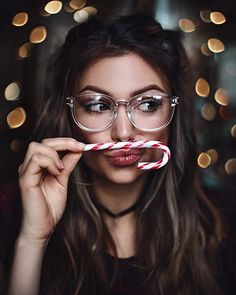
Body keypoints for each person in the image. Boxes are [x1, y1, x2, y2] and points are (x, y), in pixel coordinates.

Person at [3, 13, 234, 295]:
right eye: (98, 106)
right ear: (69, 114)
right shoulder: (11, 212)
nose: (123, 133)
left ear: (173, 112)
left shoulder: (223, 224)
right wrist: (32, 240)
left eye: (148, 104)